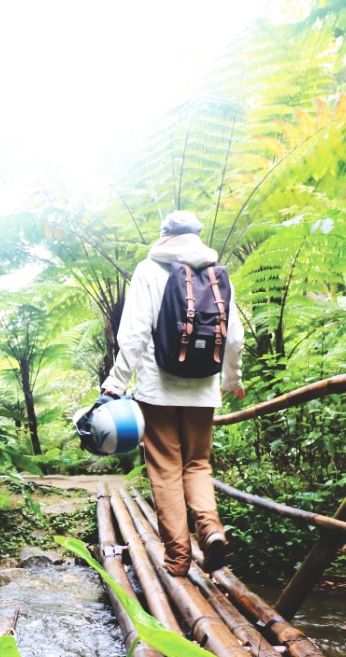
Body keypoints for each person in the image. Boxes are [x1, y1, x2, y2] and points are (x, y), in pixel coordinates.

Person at [100, 210, 245, 576]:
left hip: (157, 389)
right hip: (203, 390)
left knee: (165, 471)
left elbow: (133, 333)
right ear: (196, 236)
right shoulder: (216, 272)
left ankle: (178, 559)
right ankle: (210, 529)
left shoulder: (149, 270)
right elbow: (234, 336)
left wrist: (116, 382)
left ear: (165, 236)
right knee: (197, 464)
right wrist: (231, 380)